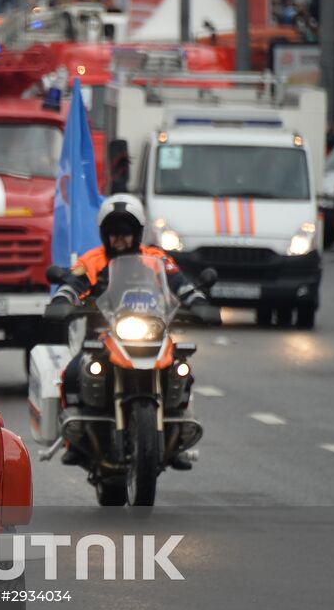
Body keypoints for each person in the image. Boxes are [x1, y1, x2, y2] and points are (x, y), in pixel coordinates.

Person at [49, 194, 214, 469]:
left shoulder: (156, 258)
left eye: (125, 233)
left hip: (154, 332)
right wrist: (62, 301)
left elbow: (181, 283)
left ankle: (176, 439)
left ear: (137, 233)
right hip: (103, 335)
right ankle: (74, 442)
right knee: (73, 373)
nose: (119, 239)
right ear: (104, 234)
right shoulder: (93, 260)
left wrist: (199, 303)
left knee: (181, 371)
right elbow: (72, 283)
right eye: (113, 233)